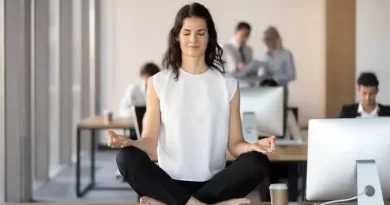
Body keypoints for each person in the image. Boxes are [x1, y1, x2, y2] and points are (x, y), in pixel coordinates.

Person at [107, 2, 275, 205]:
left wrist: (252, 147)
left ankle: (174, 203)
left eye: (200, 33)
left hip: (214, 183)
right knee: (126, 158)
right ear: (177, 36)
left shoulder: (228, 85)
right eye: (186, 33)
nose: (193, 40)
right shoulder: (158, 82)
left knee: (257, 162)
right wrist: (131, 143)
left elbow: (234, 145)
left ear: (209, 36)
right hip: (170, 182)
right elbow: (150, 143)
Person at [222, 22, 259, 86]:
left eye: (247, 36)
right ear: (236, 32)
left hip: (248, 86)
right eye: (243, 35)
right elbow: (231, 71)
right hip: (231, 85)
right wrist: (244, 68)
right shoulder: (225, 48)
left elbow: (250, 71)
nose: (245, 38)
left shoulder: (248, 50)